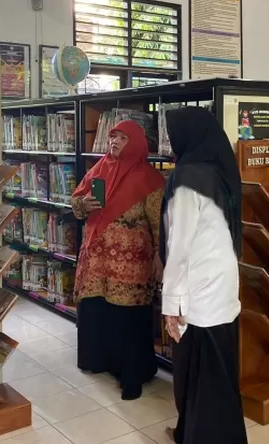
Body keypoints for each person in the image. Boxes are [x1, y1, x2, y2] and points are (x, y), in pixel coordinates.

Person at [160, 106, 247, 444]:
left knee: (195, 375)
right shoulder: (219, 171)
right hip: (222, 286)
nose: (169, 143)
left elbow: (179, 247)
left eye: (172, 135)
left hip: (196, 290)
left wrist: (171, 303)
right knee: (220, 374)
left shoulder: (187, 180)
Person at [71, 119, 165, 400]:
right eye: (113, 137)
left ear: (136, 143)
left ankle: (132, 375)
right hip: (97, 259)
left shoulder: (150, 179)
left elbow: (160, 223)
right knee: (99, 309)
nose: (114, 142)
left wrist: (161, 255)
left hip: (131, 263)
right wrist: (82, 205)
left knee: (128, 317)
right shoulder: (99, 169)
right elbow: (76, 202)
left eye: (122, 138)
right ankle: (100, 361)